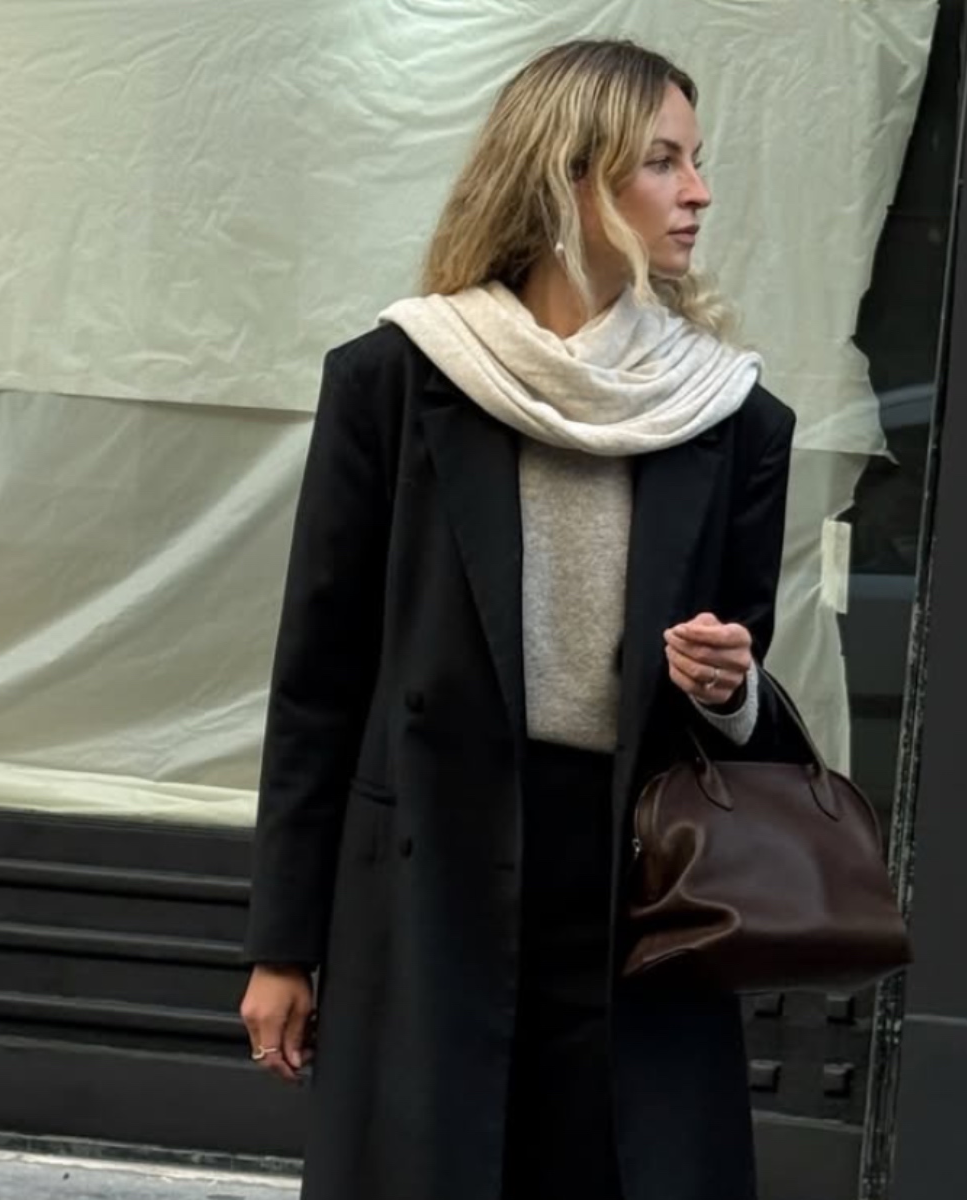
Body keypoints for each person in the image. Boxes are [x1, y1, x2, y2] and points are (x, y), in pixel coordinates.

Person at [240, 37, 801, 1200]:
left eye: (698, 162)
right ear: (568, 177)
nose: (697, 192)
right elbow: (319, 681)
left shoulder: (732, 416)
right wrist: (282, 943)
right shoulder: (397, 381)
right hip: (431, 872)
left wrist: (731, 685)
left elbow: (739, 684)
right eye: (660, 162)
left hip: (638, 893)